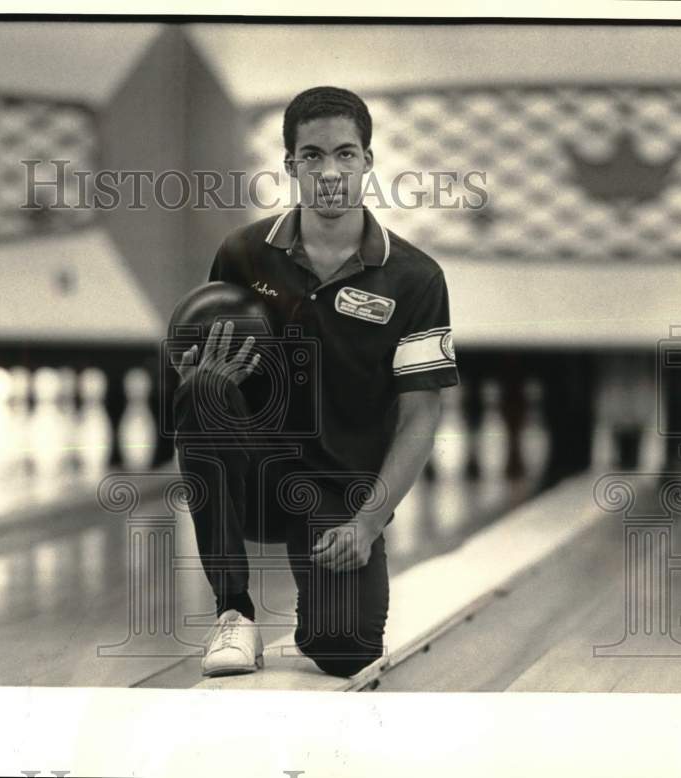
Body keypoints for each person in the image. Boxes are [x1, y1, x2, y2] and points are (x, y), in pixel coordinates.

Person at [172, 86, 460, 679]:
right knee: (201, 391)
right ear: (290, 165)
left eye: (345, 154)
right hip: (256, 473)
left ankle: (324, 612)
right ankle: (234, 612)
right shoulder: (243, 255)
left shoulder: (416, 279)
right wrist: (195, 378)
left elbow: (420, 418)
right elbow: (200, 370)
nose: (330, 171)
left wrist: (369, 522)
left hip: (337, 493)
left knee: (345, 650)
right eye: (312, 155)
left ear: (368, 162)